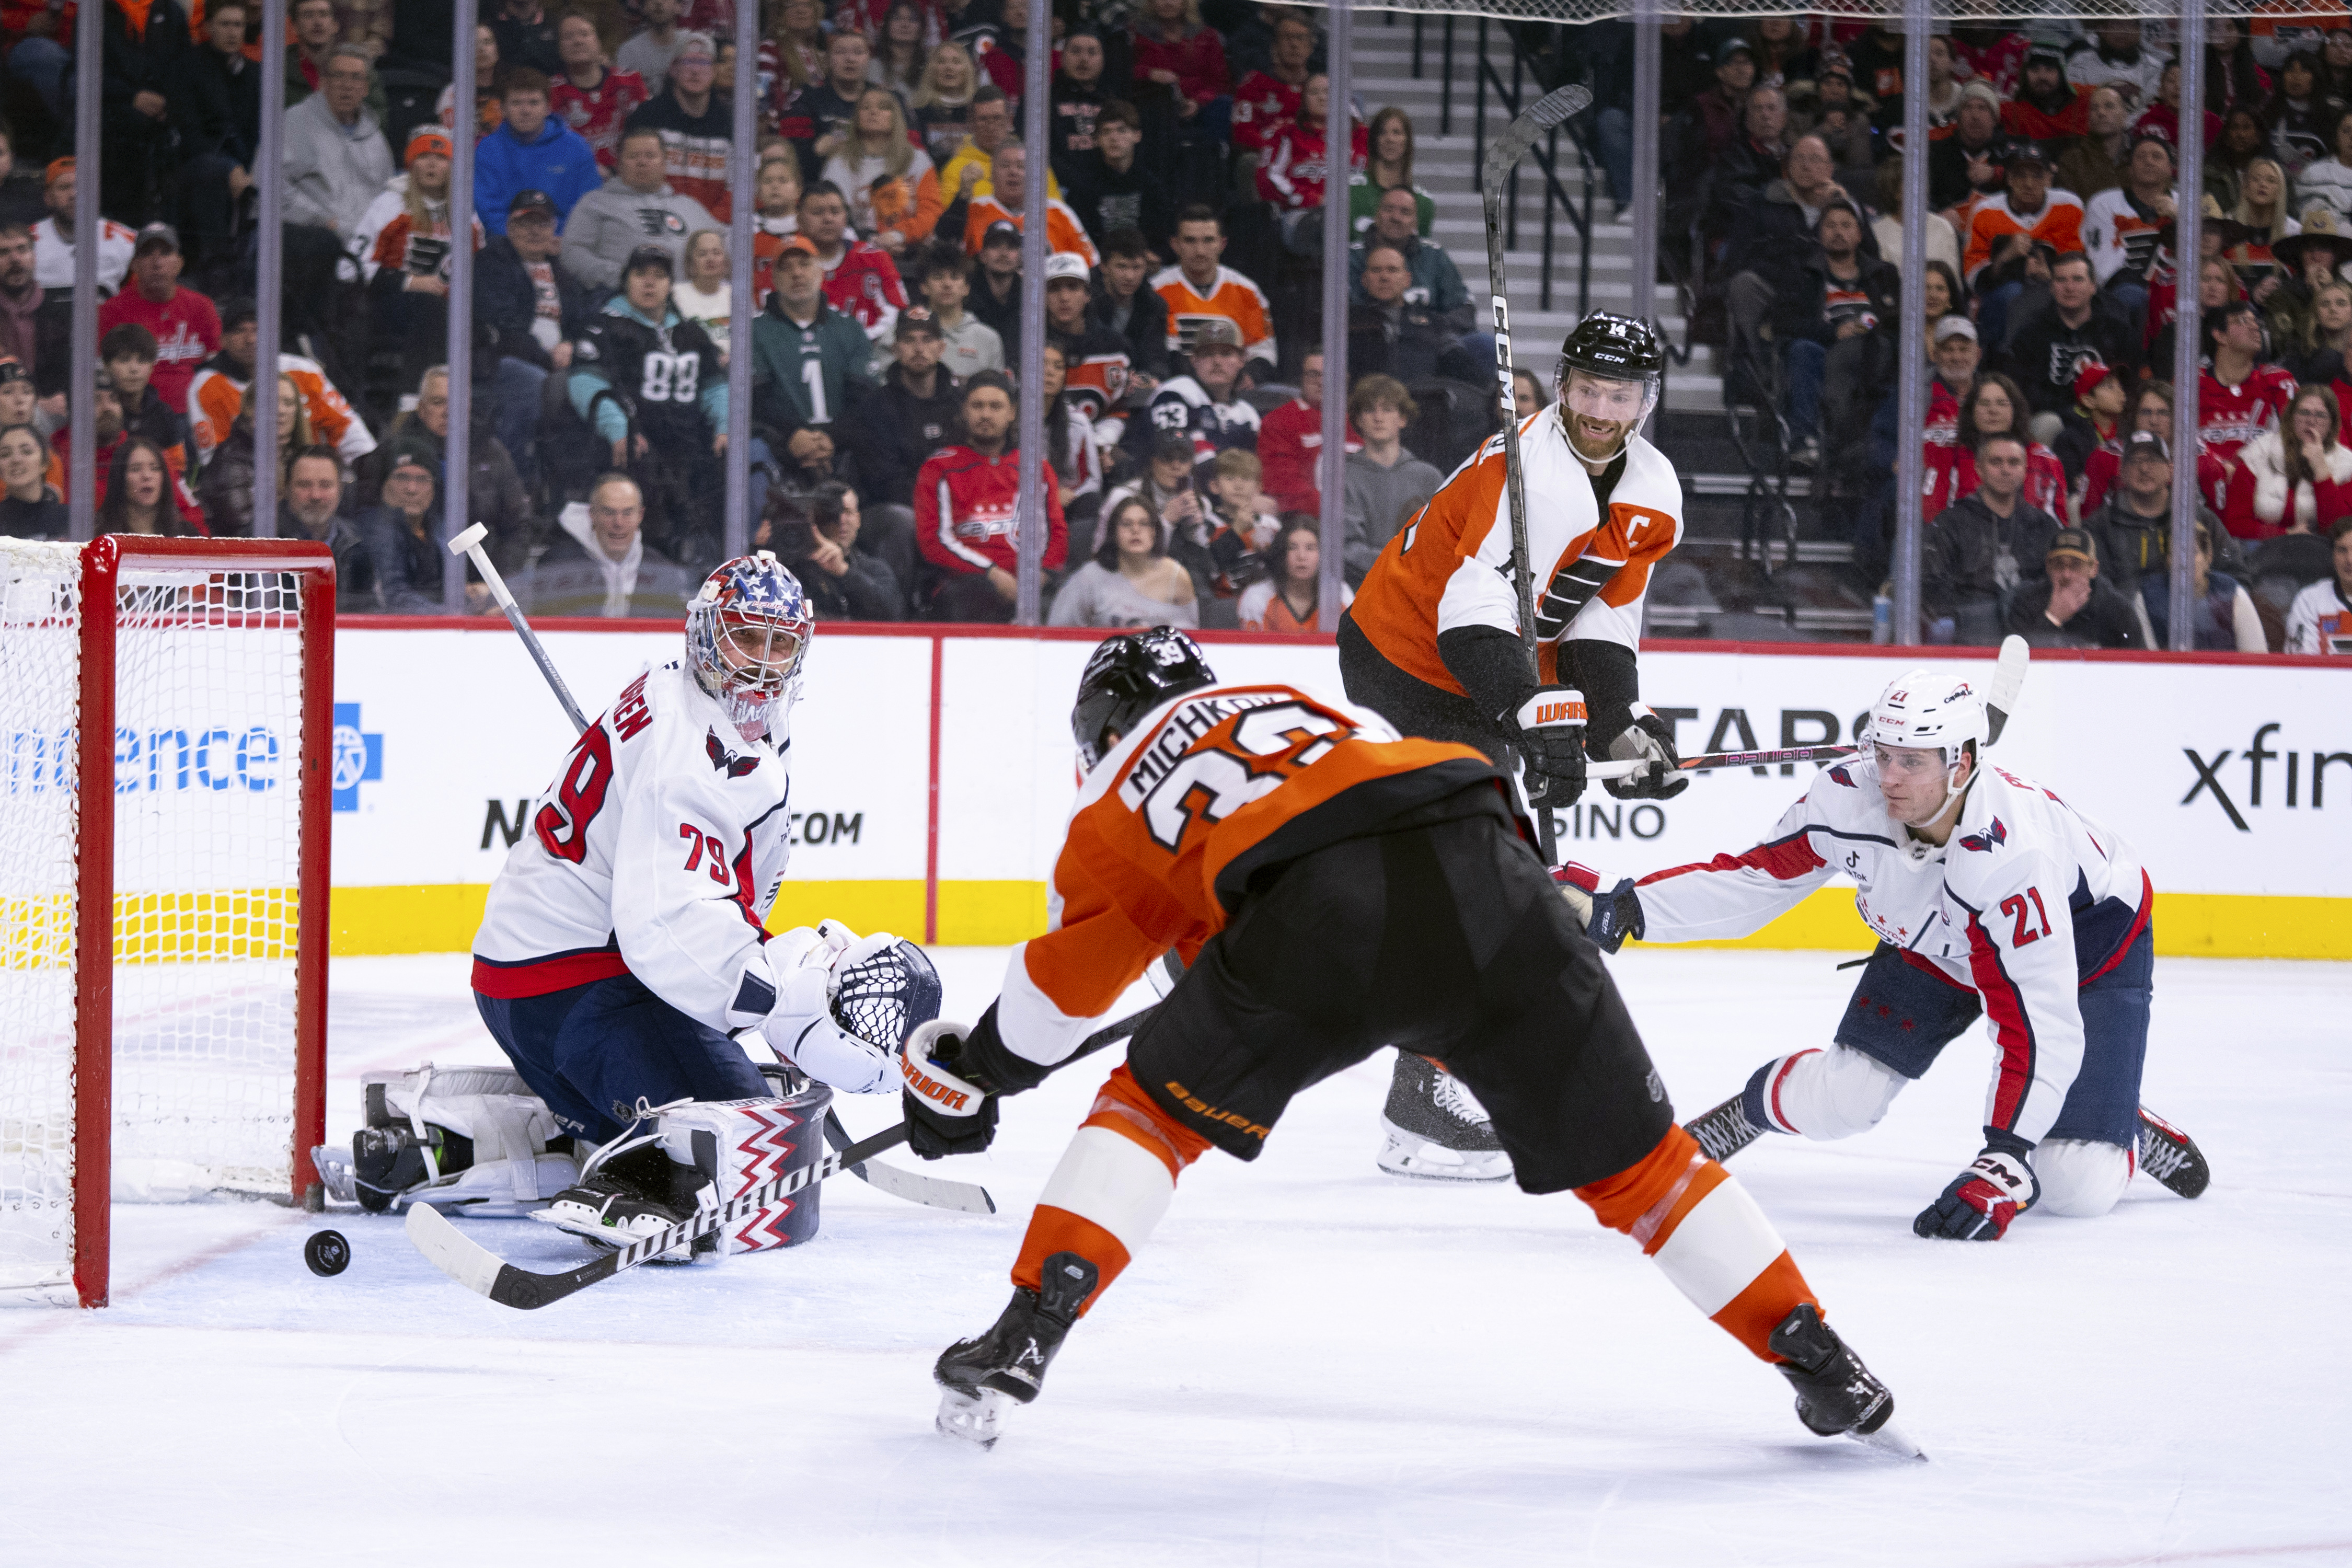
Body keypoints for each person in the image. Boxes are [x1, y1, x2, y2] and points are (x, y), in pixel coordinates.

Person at [913, 628, 1912, 1458]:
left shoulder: (1114, 797)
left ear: (1096, 732)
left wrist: (977, 1074)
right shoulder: (1299, 705)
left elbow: (1051, 1008)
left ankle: (1028, 1330)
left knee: (1150, 1115)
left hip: (1318, 922)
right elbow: (1362, 818)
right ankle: (1820, 1359)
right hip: (1488, 866)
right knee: (1647, 1171)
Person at [1618, 668, 2209, 1239]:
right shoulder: (1849, 796)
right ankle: (1752, 1111)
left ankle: (2117, 1121)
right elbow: (1754, 881)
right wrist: (1626, 908)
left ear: (1963, 764)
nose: (1891, 778)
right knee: (1843, 1101)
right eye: (1884, 755)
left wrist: (2002, 1160)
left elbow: (2038, 1025)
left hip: (2086, 943)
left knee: (2072, 1185)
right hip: (1939, 938)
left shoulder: (2014, 861)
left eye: (1912, 761)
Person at [464, 550, 927, 1247]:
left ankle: (551, 1133)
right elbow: (664, 925)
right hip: (576, 991)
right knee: (751, 1141)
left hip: (539, 981)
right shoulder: (693, 751)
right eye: (746, 637)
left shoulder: (677, 690)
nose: (763, 663)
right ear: (707, 634)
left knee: (751, 1110)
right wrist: (783, 1003)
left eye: (781, 644)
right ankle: (636, 1180)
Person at [1342, 315, 1686, 1181]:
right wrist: (1534, 713)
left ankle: (1441, 1077)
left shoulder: (1652, 488)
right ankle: (1424, 1098)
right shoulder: (1527, 475)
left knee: (1500, 876)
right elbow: (1470, 622)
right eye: (1588, 390)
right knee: (1485, 869)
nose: (1602, 410)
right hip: (1410, 659)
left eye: (1622, 394)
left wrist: (1615, 726)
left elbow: (1602, 616)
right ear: (1564, 385)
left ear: (1647, 400)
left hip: (1488, 674)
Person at [568, 245, 729, 569]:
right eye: (641, 274)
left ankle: (715, 565)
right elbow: (586, 383)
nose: (650, 283)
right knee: (642, 467)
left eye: (659, 276)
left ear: (672, 284)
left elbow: (716, 387)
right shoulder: (605, 327)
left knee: (732, 463)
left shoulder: (690, 332)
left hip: (689, 443)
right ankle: (654, 565)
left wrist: (725, 426)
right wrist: (619, 428)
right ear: (626, 280)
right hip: (638, 440)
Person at [913, 370, 1067, 621]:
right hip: (966, 584)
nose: (986, 414)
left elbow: (1056, 534)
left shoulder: (1036, 467)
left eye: (996, 406)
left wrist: (1034, 580)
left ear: (1012, 413)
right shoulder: (939, 467)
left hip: (1032, 582)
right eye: (977, 406)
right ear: (964, 412)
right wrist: (992, 573)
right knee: (974, 596)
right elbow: (934, 541)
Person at [188, 297, 376, 472]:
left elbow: (350, 432)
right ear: (223, 340)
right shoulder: (206, 385)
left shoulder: (304, 371)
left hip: (312, 480)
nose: (250, 340)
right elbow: (215, 462)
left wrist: (367, 471)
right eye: (239, 331)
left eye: (257, 330)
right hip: (251, 483)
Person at [1924, 431, 2062, 645]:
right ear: (1979, 469)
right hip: (1970, 638)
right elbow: (1933, 587)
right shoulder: (1951, 523)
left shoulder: (2044, 526)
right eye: (1996, 462)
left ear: (2025, 470)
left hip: (2033, 637)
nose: (2006, 470)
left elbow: (2058, 586)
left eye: (2014, 463)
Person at [750, 235, 878, 459]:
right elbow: (757, 401)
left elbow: (864, 399)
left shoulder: (849, 329)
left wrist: (832, 438)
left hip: (843, 449)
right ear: (774, 279)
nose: (797, 273)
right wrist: (793, 436)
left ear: (820, 271)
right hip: (779, 447)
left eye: (804, 264)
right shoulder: (755, 332)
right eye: (786, 268)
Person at [560, 126, 723, 294]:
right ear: (619, 163)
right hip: (620, 300)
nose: (642, 162)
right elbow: (572, 252)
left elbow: (727, 246)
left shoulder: (689, 207)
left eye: (650, 156)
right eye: (633, 156)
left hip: (689, 303)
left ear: (665, 162)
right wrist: (620, 277)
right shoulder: (595, 203)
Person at [168, 0, 262, 277]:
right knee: (214, 174)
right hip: (197, 163)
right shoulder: (187, 67)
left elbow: (260, 131)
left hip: (248, 163)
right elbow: (188, 132)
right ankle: (215, 266)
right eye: (225, 24)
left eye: (238, 25)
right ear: (208, 27)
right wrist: (229, 167)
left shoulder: (256, 73)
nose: (233, 32)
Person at [2001, 250, 2142, 433]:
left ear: (2093, 286)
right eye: (2061, 280)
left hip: (2107, 418)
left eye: (2078, 279)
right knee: (2047, 424)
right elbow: (2024, 393)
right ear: (2051, 287)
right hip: (2053, 420)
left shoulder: (2119, 333)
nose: (2069, 288)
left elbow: (2132, 386)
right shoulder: (2031, 334)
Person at [528, 468, 698, 617]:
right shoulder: (557, 566)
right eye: (609, 513)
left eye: (627, 513)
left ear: (640, 516)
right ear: (592, 515)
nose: (618, 523)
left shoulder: (665, 574)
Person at [1964, 147, 2086, 351]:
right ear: (2009, 179)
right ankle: (2002, 357)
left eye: (2037, 176)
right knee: (2013, 294)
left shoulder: (2069, 206)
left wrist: (2052, 277)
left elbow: (2079, 264)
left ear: (2049, 178)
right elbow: (1974, 279)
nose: (2029, 184)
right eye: (2020, 176)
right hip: (2002, 298)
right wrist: (2006, 258)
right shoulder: (1986, 212)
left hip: (2057, 289)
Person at [843, 305, 959, 511]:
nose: (919, 348)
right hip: (898, 509)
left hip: (960, 504)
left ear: (941, 348)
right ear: (896, 349)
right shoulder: (874, 407)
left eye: (927, 339)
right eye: (909, 340)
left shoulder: (960, 404)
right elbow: (885, 481)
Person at [96, 225, 220, 415]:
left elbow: (219, 369)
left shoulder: (202, 307)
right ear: (135, 265)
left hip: (195, 415)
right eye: (147, 254)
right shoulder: (113, 311)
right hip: (137, 416)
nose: (157, 263)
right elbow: (100, 373)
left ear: (180, 263)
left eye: (165, 253)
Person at [283, 45, 396, 242]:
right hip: (312, 239)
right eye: (339, 76)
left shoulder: (375, 137)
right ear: (324, 83)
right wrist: (321, 220)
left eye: (356, 78)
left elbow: (387, 196)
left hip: (366, 244)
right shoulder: (294, 122)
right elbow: (271, 187)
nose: (347, 85)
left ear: (366, 88)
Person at [475, 68, 605, 234]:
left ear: (548, 108)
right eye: (516, 103)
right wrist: (521, 239)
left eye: (534, 103)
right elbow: (488, 210)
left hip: (562, 242)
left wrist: (551, 237)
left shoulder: (576, 146)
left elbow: (588, 207)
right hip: (506, 244)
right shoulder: (488, 149)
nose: (526, 111)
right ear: (503, 109)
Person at [1340, 374, 1439, 583]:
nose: (1378, 417)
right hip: (1361, 588)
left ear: (1402, 418)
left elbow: (1444, 542)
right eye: (1369, 410)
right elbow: (1345, 547)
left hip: (1421, 587)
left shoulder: (1429, 477)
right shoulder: (1343, 476)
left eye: (1387, 409)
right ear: (1357, 419)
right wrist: (1396, 565)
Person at [1926, 372, 2067, 520]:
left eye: (2002, 403)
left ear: (2016, 410)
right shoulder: (1948, 455)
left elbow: (2057, 528)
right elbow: (1934, 519)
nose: (1993, 411)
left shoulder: (2044, 459)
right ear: (1971, 411)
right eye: (1984, 403)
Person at [1045, 491, 1197, 628]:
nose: (1135, 530)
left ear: (1154, 532)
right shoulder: (1089, 578)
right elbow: (1058, 633)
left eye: (1144, 524)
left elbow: (1192, 637)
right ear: (1114, 533)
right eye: (1126, 524)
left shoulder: (1176, 576)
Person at [1152, 205, 1276, 371]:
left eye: (1209, 240)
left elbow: (1264, 351)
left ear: (1222, 244)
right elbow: (1162, 352)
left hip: (1234, 385)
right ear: (1175, 245)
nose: (1200, 251)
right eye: (1190, 241)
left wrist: (1249, 377)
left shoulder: (1248, 291)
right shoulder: (1156, 290)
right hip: (1179, 381)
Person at [624, 31, 733, 220]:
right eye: (689, 61)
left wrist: (707, 227)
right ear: (674, 69)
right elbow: (633, 181)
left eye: (704, 63)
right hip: (658, 225)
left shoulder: (730, 122)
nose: (695, 71)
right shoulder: (647, 117)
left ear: (715, 71)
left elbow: (737, 190)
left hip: (714, 233)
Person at [822, 89, 942, 256]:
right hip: (860, 253)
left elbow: (932, 212)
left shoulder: (919, 160)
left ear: (896, 117)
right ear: (856, 118)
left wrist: (899, 235)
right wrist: (873, 241)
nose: (874, 111)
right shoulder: (838, 164)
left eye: (883, 107)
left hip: (916, 252)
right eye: (866, 107)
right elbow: (835, 220)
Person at [762, 481, 904, 620]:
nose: (841, 520)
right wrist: (760, 552)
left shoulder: (874, 569)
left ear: (859, 520)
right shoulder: (789, 568)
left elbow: (892, 614)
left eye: (848, 512)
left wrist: (844, 572)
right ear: (814, 518)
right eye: (832, 514)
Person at [196, 372, 312, 536]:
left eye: (289, 403)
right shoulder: (230, 461)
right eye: (271, 401)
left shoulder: (303, 457)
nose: (281, 410)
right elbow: (246, 533)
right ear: (250, 408)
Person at [1134, 317, 1259, 468]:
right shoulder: (1175, 393)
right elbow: (1177, 458)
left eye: (1226, 354)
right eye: (1208, 354)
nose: (1217, 361)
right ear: (1194, 360)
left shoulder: (1248, 414)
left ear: (1242, 360)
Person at [2081, 133, 2178, 326]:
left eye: (2157, 156)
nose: (2148, 162)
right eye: (2141, 157)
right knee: (2132, 297)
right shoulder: (2104, 203)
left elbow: (2204, 256)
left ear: (2170, 169)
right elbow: (2099, 264)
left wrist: (2180, 218)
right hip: (2123, 288)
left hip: (2175, 287)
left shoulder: (2187, 205)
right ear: (2130, 169)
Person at [799, 180, 910, 346]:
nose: (828, 219)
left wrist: (857, 342)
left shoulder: (876, 258)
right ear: (799, 219)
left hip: (872, 350)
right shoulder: (789, 265)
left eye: (835, 211)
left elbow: (899, 312)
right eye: (817, 212)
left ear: (846, 217)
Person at [2234, 382, 2352, 539]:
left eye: (2320, 415)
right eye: (2304, 413)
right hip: (2261, 548)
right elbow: (2235, 523)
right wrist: (2285, 534)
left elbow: (2341, 533)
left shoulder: (2347, 463)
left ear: (2332, 423)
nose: (2311, 421)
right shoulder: (2259, 452)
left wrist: (2320, 469)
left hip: (2320, 550)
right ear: (2291, 417)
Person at [1348, 185, 1471, 333]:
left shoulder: (1434, 255)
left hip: (1427, 341)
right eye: (1388, 210)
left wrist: (1431, 328)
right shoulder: (1351, 257)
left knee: (1483, 344)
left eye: (1405, 212)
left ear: (1415, 222)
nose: (1396, 218)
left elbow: (1463, 308)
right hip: (1364, 338)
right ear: (1376, 216)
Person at [956, 141, 1099, 268]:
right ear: (992, 174)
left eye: (1021, 166)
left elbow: (1091, 265)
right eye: (1005, 166)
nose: (1013, 172)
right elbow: (953, 256)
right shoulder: (975, 209)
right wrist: (962, 198)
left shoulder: (1059, 213)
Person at [1254, 73, 1366, 233]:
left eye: (1328, 92)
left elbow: (1373, 177)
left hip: (1353, 212)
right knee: (1321, 227)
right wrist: (1313, 199)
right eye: (1314, 93)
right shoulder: (1286, 133)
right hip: (1302, 213)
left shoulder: (1363, 136)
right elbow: (1269, 178)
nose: (1322, 98)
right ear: (1304, 100)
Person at [1060, 100, 1171, 258]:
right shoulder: (1083, 186)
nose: (1114, 138)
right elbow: (1080, 238)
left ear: (1137, 136)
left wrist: (1153, 255)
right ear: (1096, 140)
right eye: (1106, 132)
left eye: (1122, 130)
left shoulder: (1151, 185)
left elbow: (1161, 235)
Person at [2141, 513, 2269, 651]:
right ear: (2168, 561)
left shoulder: (2233, 595)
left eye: (2193, 553)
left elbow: (2257, 660)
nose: (2184, 562)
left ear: (2208, 557)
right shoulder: (2147, 598)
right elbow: (2148, 665)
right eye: (2176, 554)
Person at [2002, 527, 2145, 648]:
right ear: (2048, 567)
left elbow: (2140, 669)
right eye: (2059, 565)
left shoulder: (2118, 610)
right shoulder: (2027, 602)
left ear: (2093, 569)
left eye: (2076, 565)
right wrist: (2053, 618)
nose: (2066, 575)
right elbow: (2018, 661)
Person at [549, 9, 649, 174]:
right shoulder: (551, 92)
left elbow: (648, 135)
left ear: (598, 42)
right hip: (574, 181)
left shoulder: (630, 82)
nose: (578, 41)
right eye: (569, 37)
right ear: (559, 48)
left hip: (627, 179)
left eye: (584, 34)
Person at [278, 445, 378, 607]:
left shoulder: (358, 541)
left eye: (325, 485)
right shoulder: (263, 539)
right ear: (287, 489)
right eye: (304, 485)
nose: (315, 495)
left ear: (341, 489)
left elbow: (369, 610)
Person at [1254, 347, 1350, 516]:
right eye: (1314, 374)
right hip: (1306, 523)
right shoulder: (1279, 421)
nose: (1321, 381)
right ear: (1302, 379)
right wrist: (1338, 514)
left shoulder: (1361, 420)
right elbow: (1284, 484)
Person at [359, 448, 449, 610]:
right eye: (402, 478)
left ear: (434, 489)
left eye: (422, 480)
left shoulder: (440, 528)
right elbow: (394, 596)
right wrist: (451, 614)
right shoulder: (379, 530)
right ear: (384, 486)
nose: (412, 489)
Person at [31, 158, 135, 293]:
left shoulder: (126, 241)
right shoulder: (27, 243)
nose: (74, 194)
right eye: (64, 187)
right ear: (48, 198)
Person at [1088, 226, 1170, 386]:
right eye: (1122, 267)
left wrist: (1151, 378)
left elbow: (1156, 356)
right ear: (1104, 266)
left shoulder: (1153, 305)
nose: (1130, 276)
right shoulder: (1083, 297)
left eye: (1136, 268)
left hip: (1133, 385)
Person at [1238, 514, 1346, 632]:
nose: (1302, 556)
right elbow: (1252, 650)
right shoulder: (1257, 598)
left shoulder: (1341, 595)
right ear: (1282, 554)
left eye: (1310, 548)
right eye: (1292, 548)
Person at [913, 241, 1005, 380]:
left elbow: (996, 392)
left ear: (967, 288)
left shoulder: (989, 339)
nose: (947, 284)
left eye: (955, 277)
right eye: (938, 277)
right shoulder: (904, 333)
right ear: (924, 286)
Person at [1229, 9, 1312, 160]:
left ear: (1310, 47)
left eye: (1300, 38)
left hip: (1312, 161)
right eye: (1287, 38)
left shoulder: (1324, 89)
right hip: (1266, 159)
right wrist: (1279, 151)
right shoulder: (1253, 85)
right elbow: (1243, 132)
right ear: (1274, 46)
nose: (1294, 44)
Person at [1352, 105, 1437, 239]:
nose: (1390, 139)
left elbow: (1420, 256)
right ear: (1374, 140)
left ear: (1407, 141)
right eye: (1382, 133)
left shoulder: (1423, 202)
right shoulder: (1350, 191)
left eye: (1397, 133)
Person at [2053, 86, 2135, 203]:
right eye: (2094, 108)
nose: (2101, 113)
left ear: (2125, 115)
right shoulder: (2072, 160)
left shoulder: (2141, 156)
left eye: (2109, 106)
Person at [2284, 513, 2352, 650]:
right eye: (2342, 550)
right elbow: (2303, 664)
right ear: (2332, 554)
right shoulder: (2309, 601)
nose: (2350, 560)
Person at [97, 436, 189, 537]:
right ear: (120, 478)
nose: (147, 476)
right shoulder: (100, 536)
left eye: (155, 468)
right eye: (135, 469)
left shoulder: (185, 535)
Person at [0, 420, 65, 537]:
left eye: (26, 451)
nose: (16, 460)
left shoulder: (69, 519)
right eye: (5, 454)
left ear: (45, 462)